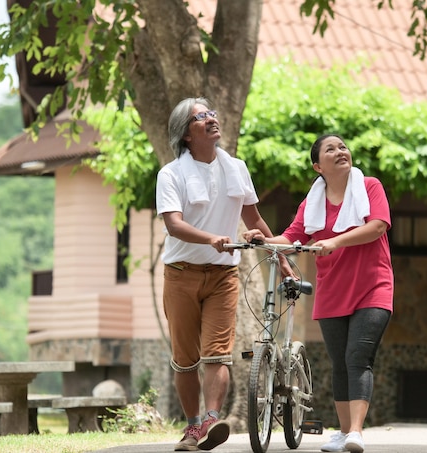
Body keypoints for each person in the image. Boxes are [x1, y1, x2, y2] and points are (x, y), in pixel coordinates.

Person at [243, 134, 394, 453]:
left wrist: (335, 242)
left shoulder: (369, 187)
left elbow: (378, 226)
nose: (341, 151)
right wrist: (263, 239)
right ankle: (342, 433)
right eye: (331, 149)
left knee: (358, 357)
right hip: (332, 290)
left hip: (373, 286)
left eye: (343, 147)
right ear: (318, 166)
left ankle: (356, 432)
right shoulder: (312, 203)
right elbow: (292, 236)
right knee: (340, 362)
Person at [155, 97, 287, 451]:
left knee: (217, 353)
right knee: (185, 359)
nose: (212, 119)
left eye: (212, 113)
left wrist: (280, 254)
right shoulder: (171, 174)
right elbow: (174, 225)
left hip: (223, 276)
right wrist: (211, 237)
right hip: (181, 274)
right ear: (186, 134)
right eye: (201, 117)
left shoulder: (236, 167)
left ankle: (212, 421)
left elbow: (254, 220)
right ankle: (193, 427)